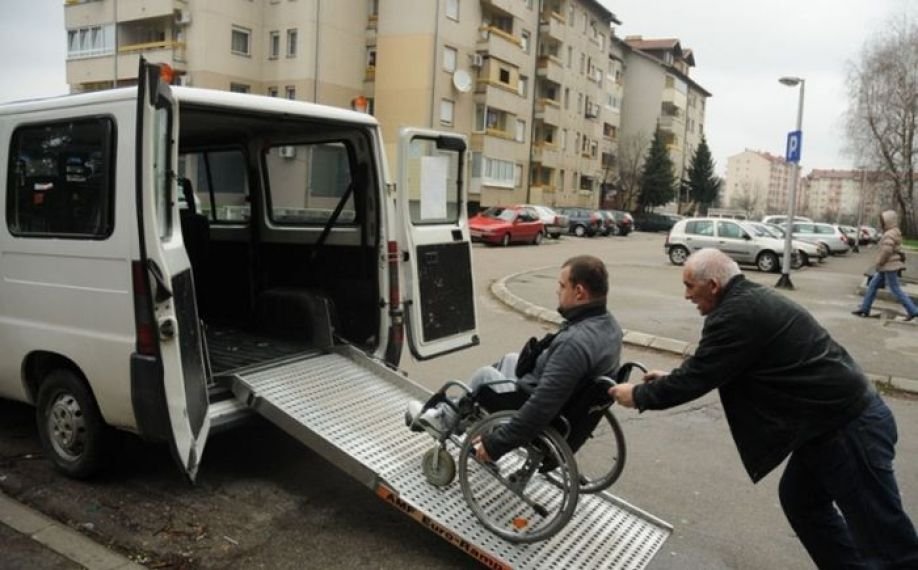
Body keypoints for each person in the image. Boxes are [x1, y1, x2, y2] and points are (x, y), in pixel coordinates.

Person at [610, 248, 918, 569]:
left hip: (848, 429)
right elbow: (715, 364)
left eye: (690, 286)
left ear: (713, 285)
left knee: (888, 545)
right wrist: (672, 378)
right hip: (826, 428)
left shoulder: (736, 314)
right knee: (801, 501)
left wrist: (640, 395)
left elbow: (698, 377)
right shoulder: (746, 301)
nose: (686, 295)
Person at [406, 254, 622, 462]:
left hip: (538, 409)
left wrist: (496, 444)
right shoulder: (609, 327)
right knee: (511, 359)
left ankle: (443, 421)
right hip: (564, 401)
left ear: (579, 292)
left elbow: (542, 406)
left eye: (562, 285)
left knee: (483, 376)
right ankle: (461, 411)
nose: (557, 291)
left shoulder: (575, 344)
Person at [852, 209, 917, 321]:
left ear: (888, 221)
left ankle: (913, 310)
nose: (881, 223)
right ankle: (864, 309)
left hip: (888, 265)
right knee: (873, 285)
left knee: (895, 289)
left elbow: (887, 250)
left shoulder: (889, 234)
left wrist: (879, 262)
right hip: (887, 266)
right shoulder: (895, 232)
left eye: (883, 221)